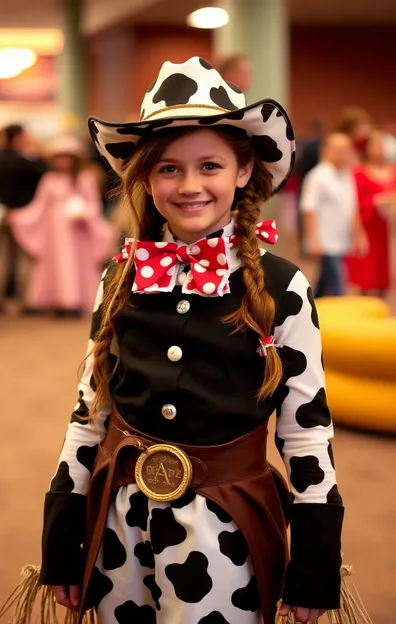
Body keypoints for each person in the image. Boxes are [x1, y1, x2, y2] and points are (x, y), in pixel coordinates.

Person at [40, 57, 344, 624]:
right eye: (168, 170)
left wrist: (316, 560)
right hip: (119, 529)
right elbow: (89, 413)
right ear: (146, 179)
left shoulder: (283, 285)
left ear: (244, 170)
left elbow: (307, 432)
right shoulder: (119, 276)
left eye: (210, 165)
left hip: (226, 530)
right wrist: (63, 538)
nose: (189, 186)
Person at [7, 135, 116, 316]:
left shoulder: (85, 179)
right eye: (60, 157)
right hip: (55, 233)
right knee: (57, 265)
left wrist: (83, 213)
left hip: (78, 232)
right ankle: (58, 301)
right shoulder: (49, 180)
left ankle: (75, 302)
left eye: (68, 157)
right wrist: (18, 217)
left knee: (76, 264)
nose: (64, 161)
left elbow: (93, 205)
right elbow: (38, 207)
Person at [0, 124, 47, 311]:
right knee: (24, 258)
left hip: (2, 213)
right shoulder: (24, 161)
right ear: (19, 138)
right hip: (24, 215)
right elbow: (44, 173)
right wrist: (38, 153)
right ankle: (25, 301)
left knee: (0, 259)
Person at [300, 133, 367, 297]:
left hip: (342, 241)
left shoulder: (347, 175)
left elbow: (352, 208)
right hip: (324, 242)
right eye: (338, 150)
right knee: (338, 286)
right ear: (326, 151)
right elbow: (308, 208)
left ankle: (312, 310)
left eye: (346, 150)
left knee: (323, 286)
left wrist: (359, 235)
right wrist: (313, 239)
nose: (343, 154)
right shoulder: (317, 176)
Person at [346, 131, 396, 297]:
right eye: (375, 145)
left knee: (386, 276)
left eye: (382, 145)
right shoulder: (358, 172)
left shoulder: (393, 171)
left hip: (389, 231)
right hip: (369, 228)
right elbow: (352, 202)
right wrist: (376, 201)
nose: (380, 149)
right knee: (367, 277)